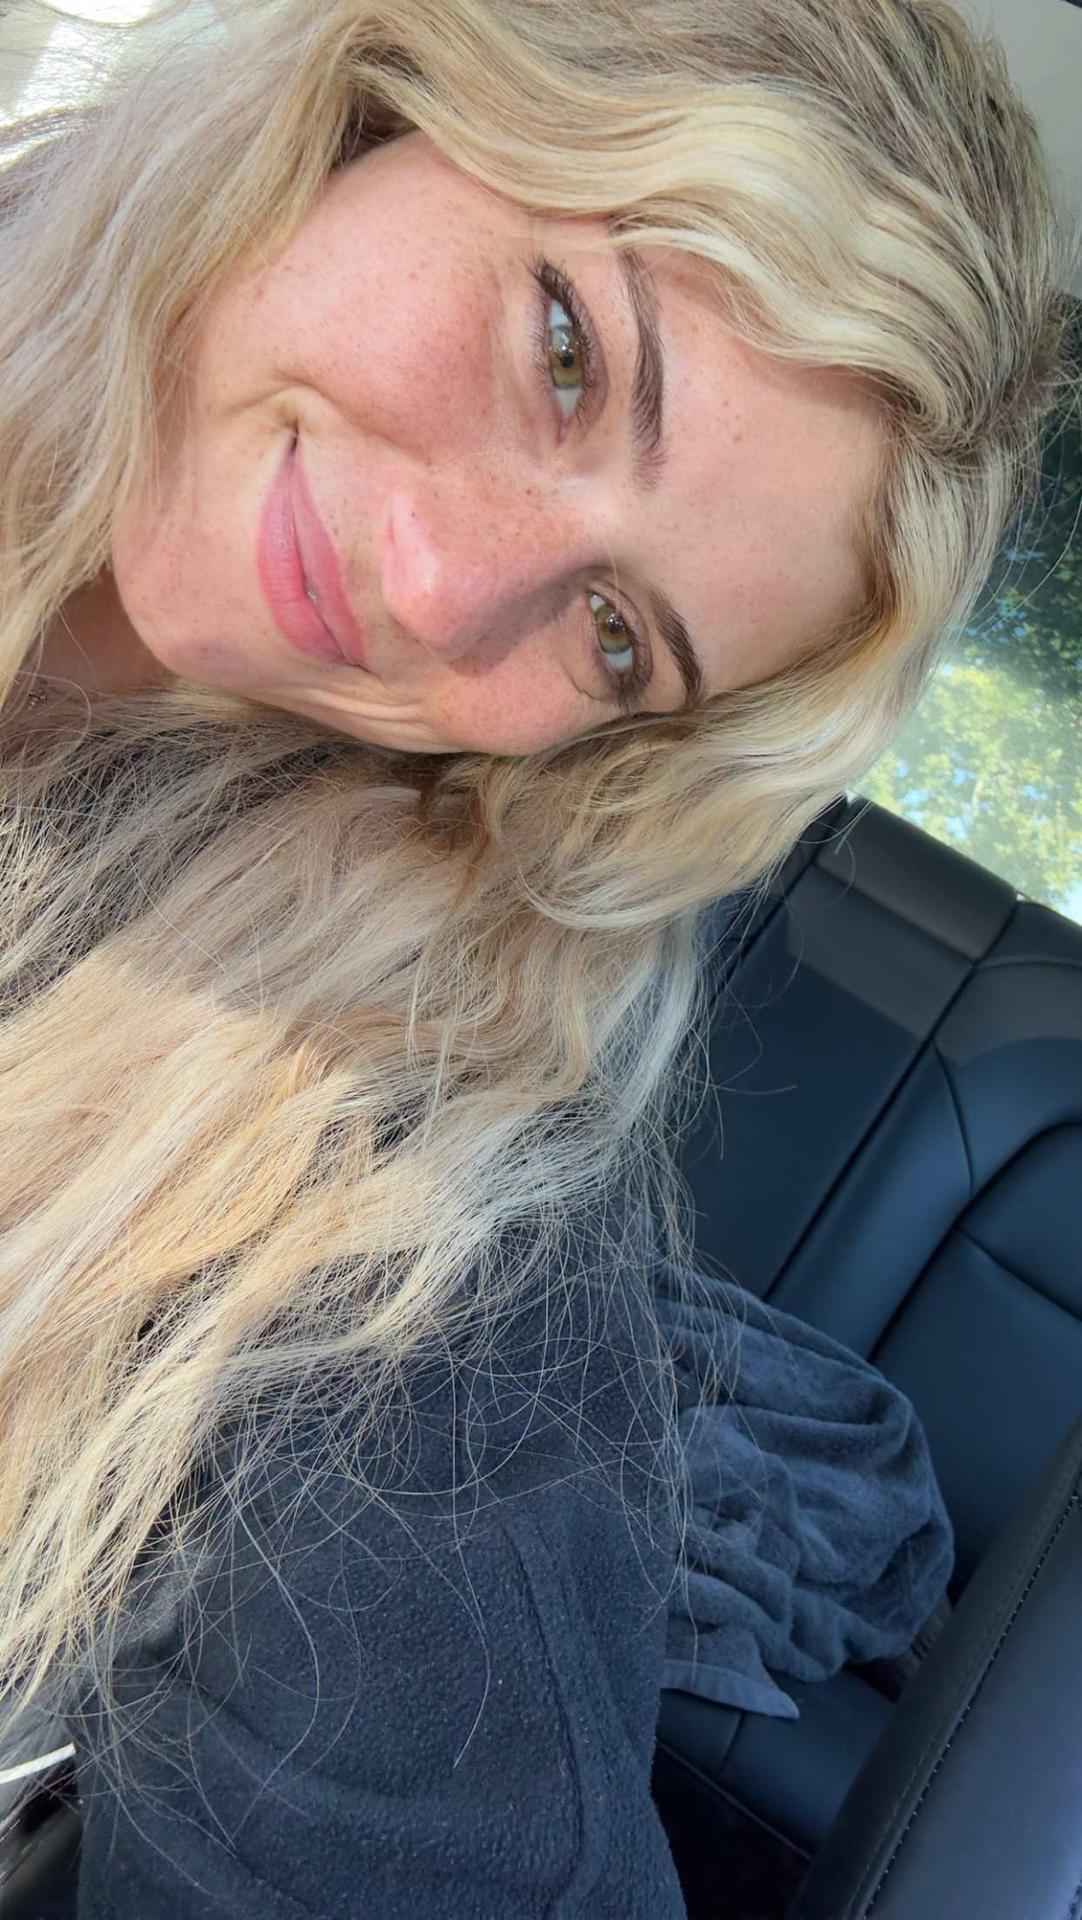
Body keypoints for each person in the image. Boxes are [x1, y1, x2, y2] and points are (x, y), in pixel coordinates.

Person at [0, 0, 1075, 1913]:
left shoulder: (399, 1226)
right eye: (567, 350)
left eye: (610, 637)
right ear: (394, 94)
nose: (437, 586)